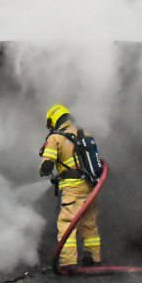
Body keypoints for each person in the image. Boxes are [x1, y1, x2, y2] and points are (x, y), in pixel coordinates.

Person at [40, 104, 100, 272]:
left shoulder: (55, 138)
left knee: (67, 224)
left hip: (72, 188)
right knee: (89, 223)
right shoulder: (84, 133)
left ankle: (68, 263)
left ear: (54, 120)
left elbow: (47, 164)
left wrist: (44, 170)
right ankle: (94, 259)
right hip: (90, 186)